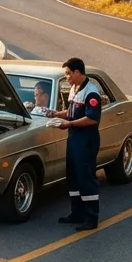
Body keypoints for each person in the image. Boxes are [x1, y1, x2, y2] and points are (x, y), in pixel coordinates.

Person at [46, 57, 104, 230]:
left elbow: (92, 118)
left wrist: (69, 124)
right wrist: (56, 114)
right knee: (73, 176)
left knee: (86, 177)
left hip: (86, 139)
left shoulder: (91, 92)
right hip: (73, 138)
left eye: (69, 73)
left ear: (78, 72)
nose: (67, 77)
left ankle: (91, 218)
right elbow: (72, 112)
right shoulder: (74, 88)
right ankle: (76, 212)